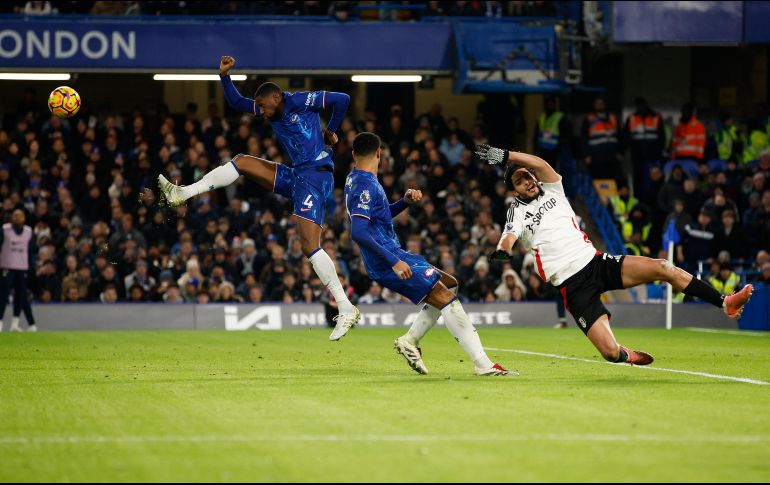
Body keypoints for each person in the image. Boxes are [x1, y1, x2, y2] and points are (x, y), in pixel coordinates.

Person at [474, 144, 753, 366]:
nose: (527, 181)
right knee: (609, 354)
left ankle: (724, 301)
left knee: (664, 267)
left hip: (596, 263)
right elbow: (509, 235)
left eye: (527, 176)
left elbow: (541, 163)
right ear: (513, 190)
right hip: (573, 286)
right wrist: (503, 250)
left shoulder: (554, 189)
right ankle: (625, 354)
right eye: (519, 181)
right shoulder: (516, 211)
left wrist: (508, 156)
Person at [158, 55, 359, 340]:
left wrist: (332, 129)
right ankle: (183, 193)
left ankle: (345, 306)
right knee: (242, 161)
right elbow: (238, 103)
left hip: (316, 175)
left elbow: (343, 99)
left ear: (276, 98)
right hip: (298, 173)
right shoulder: (271, 110)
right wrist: (224, 77)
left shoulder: (301, 101)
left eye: (263, 107)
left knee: (308, 245)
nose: (261, 113)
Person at [346, 132, 511, 376]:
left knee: (450, 284)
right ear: (380, 153)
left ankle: (410, 341)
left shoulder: (356, 178)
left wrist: (403, 202)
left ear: (353, 155)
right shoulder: (364, 184)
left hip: (393, 252)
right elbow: (358, 232)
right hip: (387, 259)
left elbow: (377, 219)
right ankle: (483, 364)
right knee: (446, 298)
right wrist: (394, 262)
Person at [0, 209, 37, 332]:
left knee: (20, 296)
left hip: (22, 267)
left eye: (20, 216)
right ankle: (0, 322)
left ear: (24, 218)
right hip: (7, 266)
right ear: (11, 217)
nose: (17, 218)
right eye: (15, 215)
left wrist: (30, 266)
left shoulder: (28, 232)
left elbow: (31, 250)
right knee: (3, 295)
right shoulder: (5, 230)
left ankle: (15, 323)